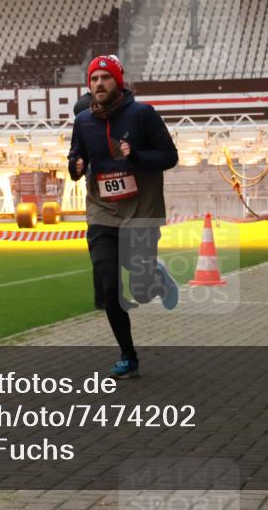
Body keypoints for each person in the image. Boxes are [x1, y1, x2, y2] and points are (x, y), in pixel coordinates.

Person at [68, 54, 180, 379]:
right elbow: (77, 155)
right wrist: (75, 166)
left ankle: (155, 277)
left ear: (118, 81)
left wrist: (137, 157)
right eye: (93, 79)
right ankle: (127, 355)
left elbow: (169, 156)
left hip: (141, 212)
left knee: (141, 290)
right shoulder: (83, 122)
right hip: (102, 213)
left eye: (105, 77)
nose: (98, 83)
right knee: (109, 287)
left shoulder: (142, 115)